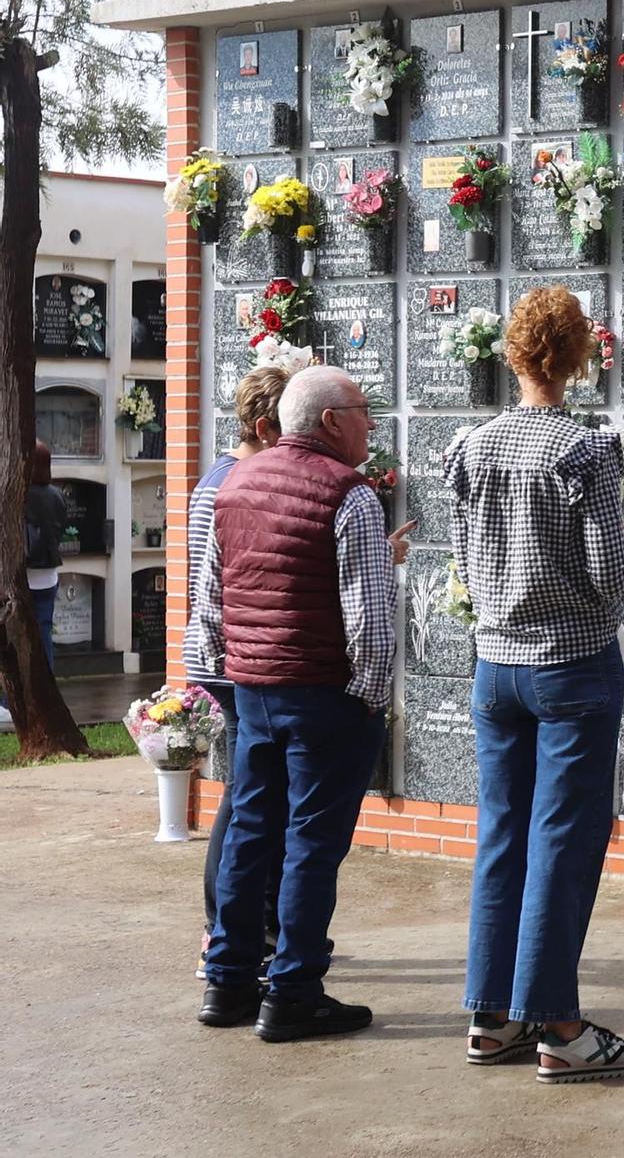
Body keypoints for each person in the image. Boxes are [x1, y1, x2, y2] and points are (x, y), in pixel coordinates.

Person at [444, 287, 624, 1083]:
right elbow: (606, 575)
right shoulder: (586, 450)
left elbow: (463, 560)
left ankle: (491, 1019)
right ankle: (560, 1026)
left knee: (501, 837)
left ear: (516, 353)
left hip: (495, 666)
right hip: (569, 665)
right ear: (578, 358)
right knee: (562, 843)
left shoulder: (471, 444)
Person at [192, 365, 409, 1042]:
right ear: (329, 421)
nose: (371, 423)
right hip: (324, 697)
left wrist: (241, 671)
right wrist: (368, 702)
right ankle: (292, 991)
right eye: (363, 410)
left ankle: (227, 982)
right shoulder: (350, 495)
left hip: (254, 692)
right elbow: (372, 620)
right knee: (311, 845)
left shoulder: (234, 483)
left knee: (252, 833)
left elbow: (210, 603)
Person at [190, 367, 291, 979]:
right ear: (264, 427)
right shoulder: (235, 480)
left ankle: (250, 927)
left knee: (250, 796)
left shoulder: (221, 474)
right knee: (245, 800)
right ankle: (223, 930)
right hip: (235, 658)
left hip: (230, 653)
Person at [24, 441, 66, 664]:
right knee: (43, 635)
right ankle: (46, 685)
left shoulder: (18, 494)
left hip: (23, 573)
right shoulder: (57, 495)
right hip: (48, 575)